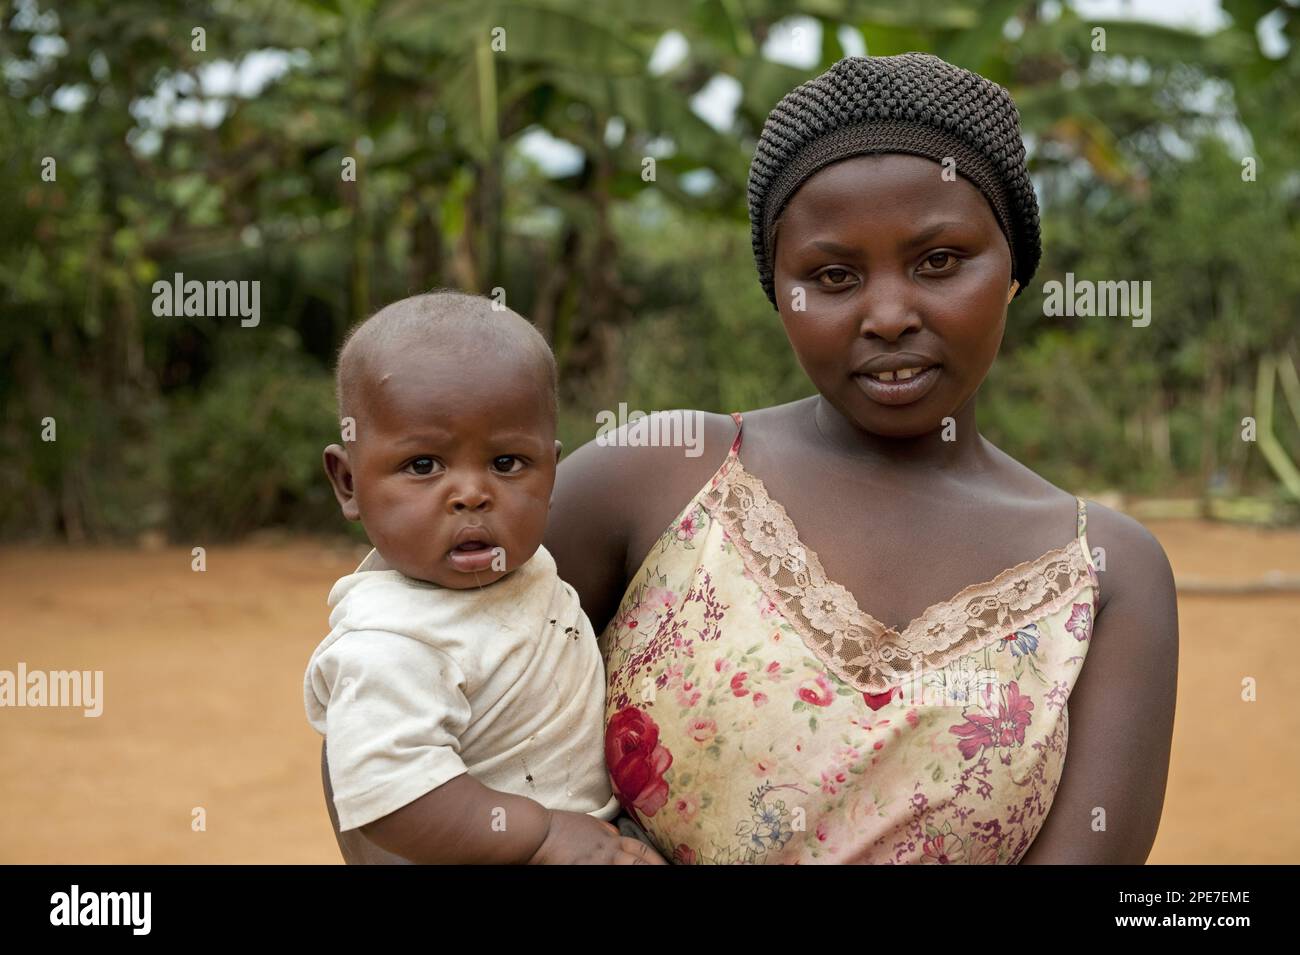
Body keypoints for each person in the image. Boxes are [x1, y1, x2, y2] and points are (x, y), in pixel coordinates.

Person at [545, 53, 1179, 864]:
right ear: (779, 289)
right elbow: (399, 681)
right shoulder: (661, 475)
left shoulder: (1102, 573)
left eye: (939, 261)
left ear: (1015, 268)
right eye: (833, 275)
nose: (887, 314)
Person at [304, 290, 665, 864]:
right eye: (423, 465)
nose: (472, 493)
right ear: (348, 483)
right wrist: (545, 837)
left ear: (550, 471)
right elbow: (392, 800)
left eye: (506, 464)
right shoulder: (391, 644)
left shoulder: (529, 569)